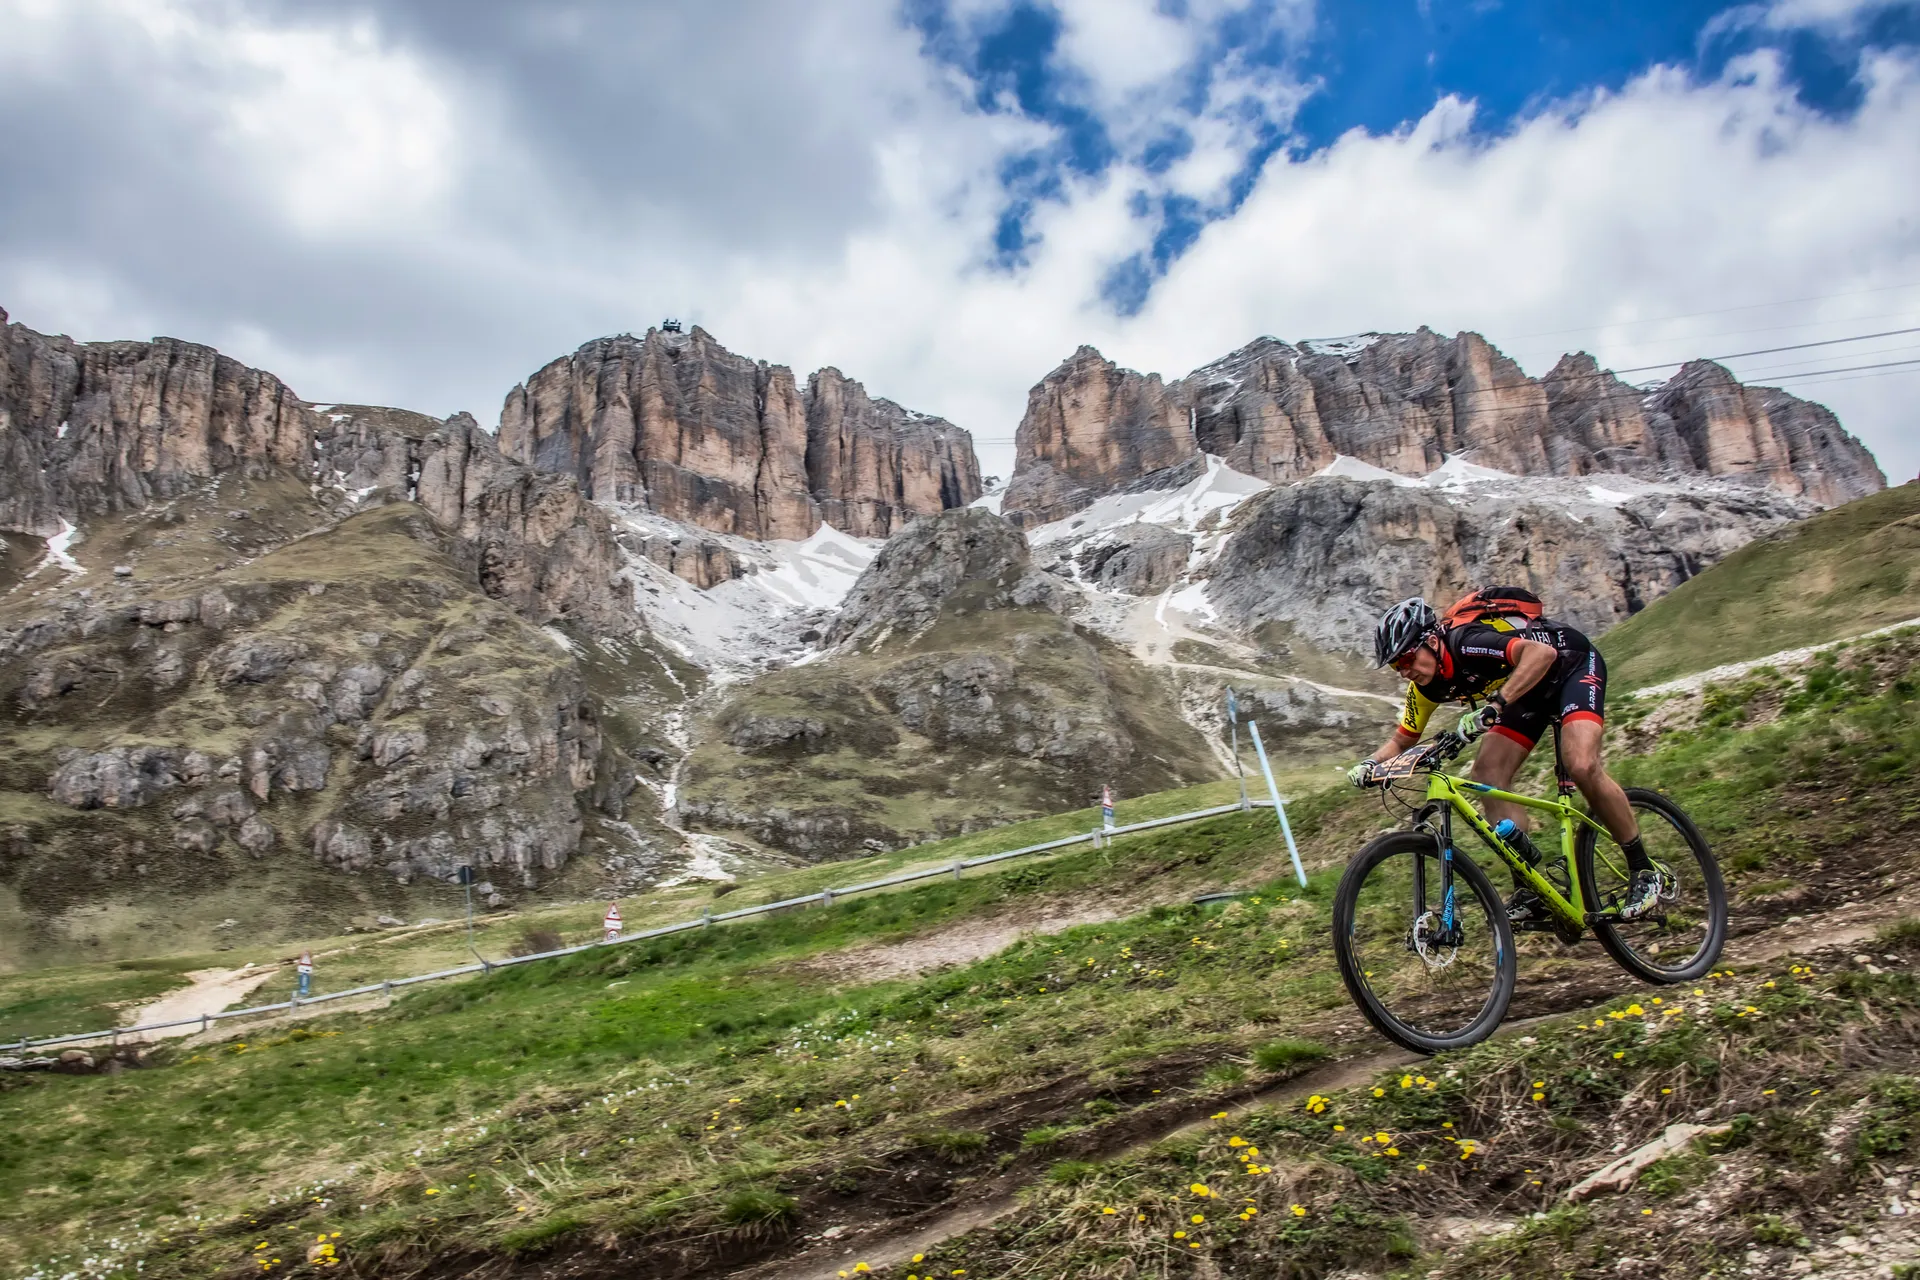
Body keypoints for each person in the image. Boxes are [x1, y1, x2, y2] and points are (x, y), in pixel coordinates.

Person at [1346, 596, 1661, 922]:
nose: (1406, 671)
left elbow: (1542, 654)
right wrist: (1370, 765)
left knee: (1580, 763)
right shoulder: (1424, 689)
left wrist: (1495, 705)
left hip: (1571, 665)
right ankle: (1530, 890)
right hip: (1527, 692)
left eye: (1408, 658)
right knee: (1487, 773)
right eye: (1398, 666)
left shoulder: (1467, 642)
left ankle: (1645, 871)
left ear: (1432, 641)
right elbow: (1402, 739)